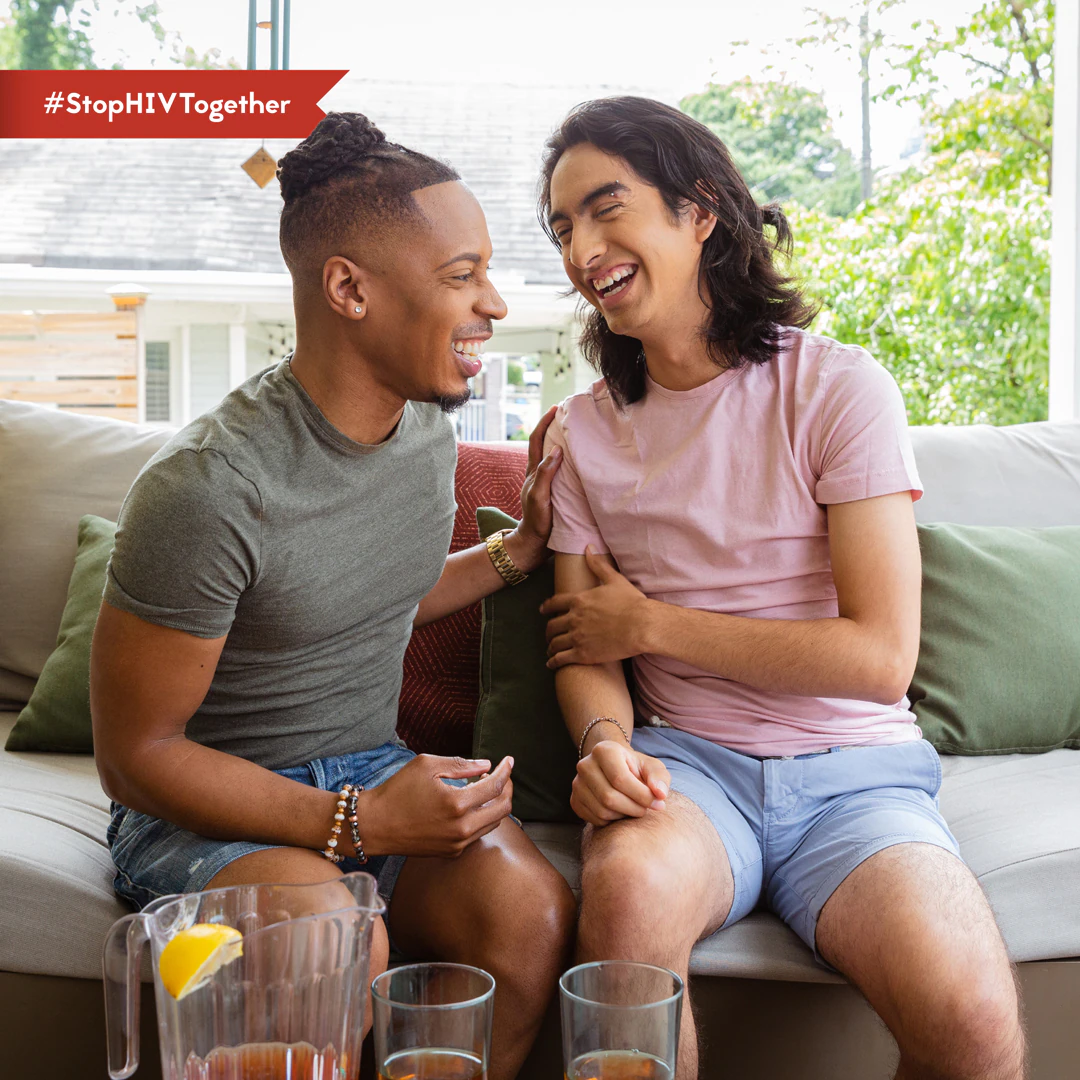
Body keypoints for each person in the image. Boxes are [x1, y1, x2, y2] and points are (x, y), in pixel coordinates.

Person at [537, 96, 1024, 1080]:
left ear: (701, 210)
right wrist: (606, 744)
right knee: (625, 911)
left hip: (857, 778)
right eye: (561, 228)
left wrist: (655, 624)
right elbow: (586, 642)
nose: (582, 247)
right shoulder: (581, 435)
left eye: (606, 207)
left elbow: (877, 655)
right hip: (689, 775)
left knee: (974, 1025)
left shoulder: (839, 390)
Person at [90, 112, 576, 1078]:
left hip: (367, 771)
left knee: (528, 912)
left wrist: (521, 547)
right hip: (207, 818)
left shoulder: (425, 430)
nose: (493, 302)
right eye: (461, 275)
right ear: (348, 288)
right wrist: (351, 822)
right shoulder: (209, 487)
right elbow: (135, 759)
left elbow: (368, 600)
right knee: (328, 936)